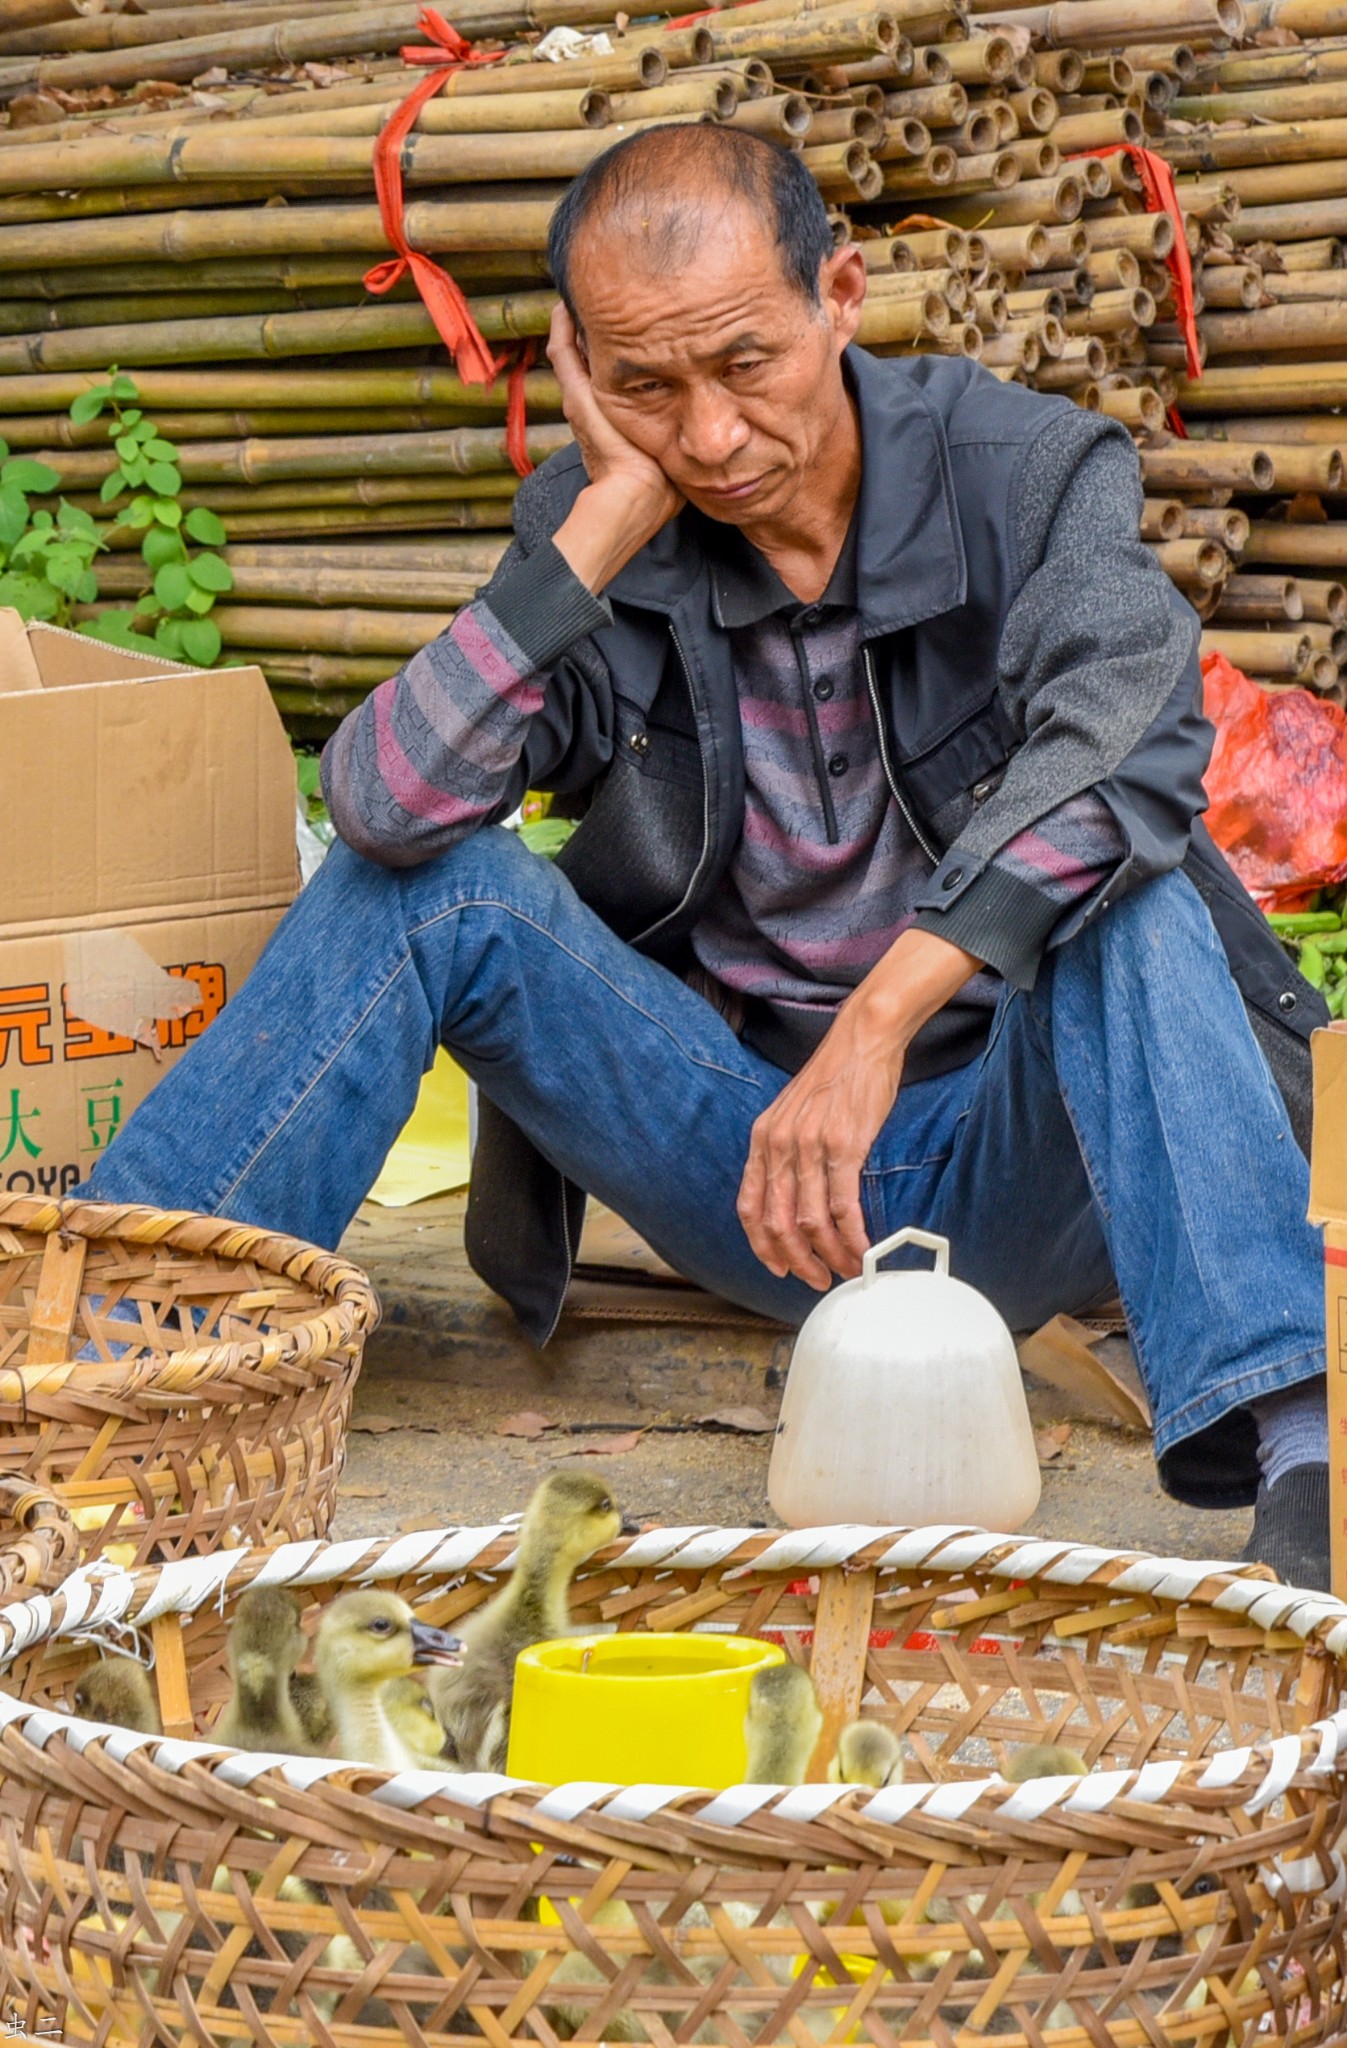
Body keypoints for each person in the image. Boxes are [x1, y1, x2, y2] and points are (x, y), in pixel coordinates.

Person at [81, 125, 1331, 1587]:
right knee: (432, 885)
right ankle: (107, 1364)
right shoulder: (600, 526)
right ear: (584, 376)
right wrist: (597, 534)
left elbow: (1126, 748)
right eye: (648, 389)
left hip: (1026, 1149)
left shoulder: (1027, 473)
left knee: (1135, 886)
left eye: (747, 363)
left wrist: (875, 1028)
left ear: (842, 294)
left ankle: (1299, 1453)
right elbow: (383, 804)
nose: (715, 438)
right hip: (752, 1176)